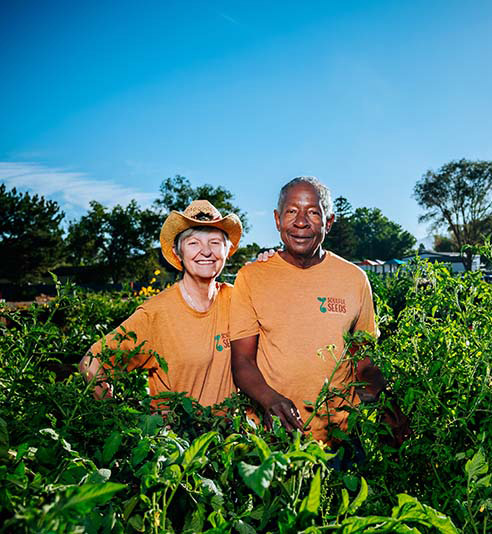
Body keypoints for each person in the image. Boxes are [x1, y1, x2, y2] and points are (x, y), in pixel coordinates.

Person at [230, 177, 381, 445]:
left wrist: (389, 404)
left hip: (340, 436)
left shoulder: (354, 279)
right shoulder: (251, 277)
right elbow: (242, 361)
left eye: (313, 212)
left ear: (329, 222)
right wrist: (269, 399)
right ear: (278, 220)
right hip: (273, 437)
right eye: (291, 212)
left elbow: (365, 360)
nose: (301, 222)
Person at [79, 200, 242, 411]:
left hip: (232, 439)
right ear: (178, 252)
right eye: (193, 243)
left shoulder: (236, 299)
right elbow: (90, 364)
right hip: (179, 441)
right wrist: (117, 420)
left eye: (214, 242)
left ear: (226, 250)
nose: (206, 251)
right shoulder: (156, 313)